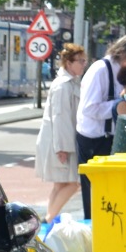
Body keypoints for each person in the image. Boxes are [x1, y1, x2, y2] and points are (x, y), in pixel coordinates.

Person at [76, 32, 126, 219]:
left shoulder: (124, 70)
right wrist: (117, 106)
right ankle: (94, 232)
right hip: (93, 140)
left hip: (112, 138)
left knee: (112, 195)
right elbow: (89, 109)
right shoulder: (100, 70)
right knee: (94, 195)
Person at [35, 42, 87, 221]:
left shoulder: (69, 83)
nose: (83, 64)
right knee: (74, 183)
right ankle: (49, 218)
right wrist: (62, 148)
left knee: (60, 184)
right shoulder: (63, 85)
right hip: (60, 142)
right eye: (80, 61)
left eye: (84, 61)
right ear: (68, 63)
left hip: (61, 140)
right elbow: (60, 117)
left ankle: (48, 219)